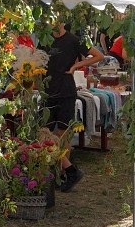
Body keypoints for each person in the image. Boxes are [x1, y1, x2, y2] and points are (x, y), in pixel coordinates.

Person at [44, 21, 103, 191]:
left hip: (66, 92)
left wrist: (76, 65)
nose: (51, 24)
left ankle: (63, 174)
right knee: (45, 135)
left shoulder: (74, 40)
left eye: (54, 20)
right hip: (48, 92)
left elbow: (99, 56)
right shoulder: (44, 39)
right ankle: (69, 171)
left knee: (62, 138)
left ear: (62, 22)